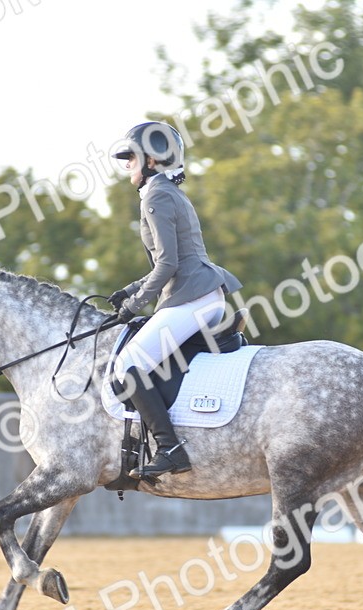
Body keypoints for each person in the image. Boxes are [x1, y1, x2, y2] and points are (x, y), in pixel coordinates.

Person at [109, 121, 243, 479]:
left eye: (131, 160)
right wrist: (132, 288)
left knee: (128, 365)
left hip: (191, 298)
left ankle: (169, 448)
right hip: (201, 292)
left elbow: (167, 264)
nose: (127, 167)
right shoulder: (167, 192)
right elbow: (171, 260)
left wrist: (135, 304)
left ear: (151, 160)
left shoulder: (156, 195)